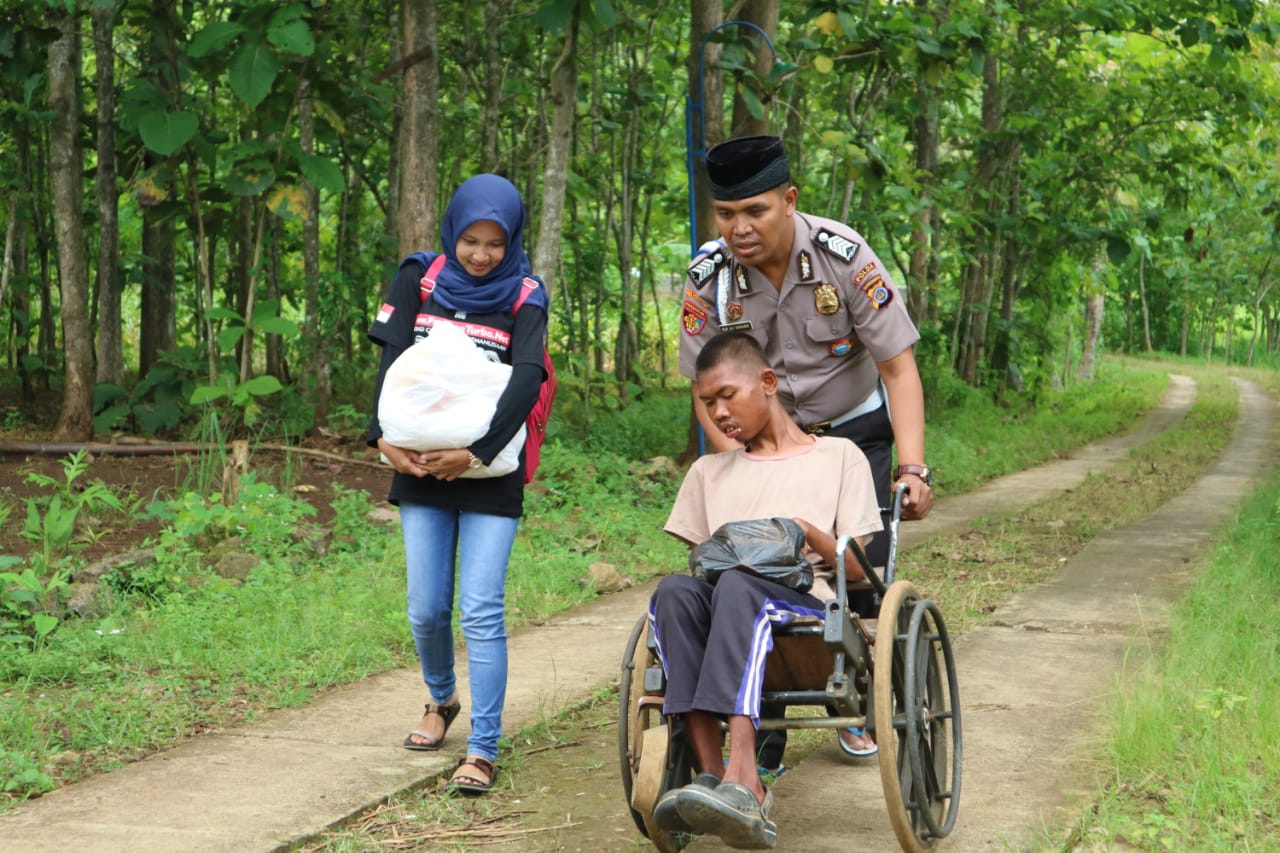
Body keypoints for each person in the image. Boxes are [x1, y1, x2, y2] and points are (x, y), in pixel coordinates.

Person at [680, 134, 935, 762]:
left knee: (856, 571)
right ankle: (762, 719)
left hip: (853, 431)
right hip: (761, 441)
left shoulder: (842, 258)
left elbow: (898, 368)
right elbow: (704, 388)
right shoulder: (709, 279)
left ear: (789, 200)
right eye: (725, 213)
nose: (739, 228)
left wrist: (913, 468)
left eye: (755, 210)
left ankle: (855, 696)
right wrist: (733, 462)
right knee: (753, 566)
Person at [649, 331, 882, 849]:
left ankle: (746, 777)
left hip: (807, 613)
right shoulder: (708, 472)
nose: (718, 413)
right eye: (707, 402)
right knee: (674, 592)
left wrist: (803, 529)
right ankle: (711, 776)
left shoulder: (839, 457)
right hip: (728, 609)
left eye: (727, 395)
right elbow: (702, 564)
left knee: (739, 584)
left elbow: (856, 570)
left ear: (768, 383)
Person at [366, 174, 549, 796]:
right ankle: (441, 699)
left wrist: (476, 453)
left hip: (490, 471)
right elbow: (392, 360)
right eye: (471, 240)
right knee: (425, 607)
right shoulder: (420, 277)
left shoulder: (525, 293)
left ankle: (483, 747)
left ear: (512, 241)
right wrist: (380, 438)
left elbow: (528, 377)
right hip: (419, 466)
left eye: (495, 243)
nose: (481, 255)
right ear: (453, 233)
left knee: (481, 608)